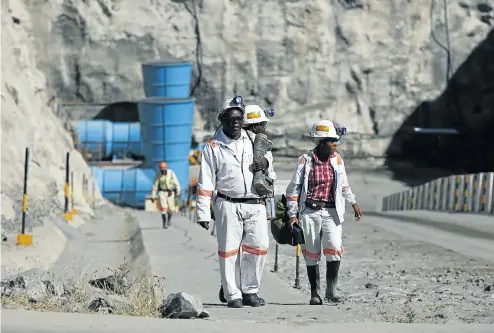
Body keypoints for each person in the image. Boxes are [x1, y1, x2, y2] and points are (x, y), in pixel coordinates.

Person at [195, 96, 273, 308]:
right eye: (231, 118)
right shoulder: (213, 147)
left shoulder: (253, 139)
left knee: (258, 246)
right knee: (229, 250)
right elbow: (206, 180)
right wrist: (203, 213)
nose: (236, 121)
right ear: (222, 119)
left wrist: (264, 162)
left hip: (255, 203)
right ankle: (232, 294)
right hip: (227, 203)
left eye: (239, 117)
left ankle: (250, 290)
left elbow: (269, 160)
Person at [285, 120, 362, 305]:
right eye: (332, 141)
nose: (336, 144)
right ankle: (314, 293)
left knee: (334, 248)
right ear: (321, 142)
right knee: (311, 252)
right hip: (309, 212)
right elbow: (293, 190)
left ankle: (331, 289)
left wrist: (353, 202)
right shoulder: (305, 161)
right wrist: (293, 215)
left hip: (331, 211)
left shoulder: (337, 159)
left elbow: (343, 184)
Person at [151, 161, 181, 228]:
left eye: (164, 169)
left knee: (171, 208)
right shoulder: (158, 175)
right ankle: (164, 223)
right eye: (161, 169)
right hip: (162, 192)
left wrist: (178, 192)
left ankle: (169, 220)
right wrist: (153, 196)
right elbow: (155, 186)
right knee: (163, 207)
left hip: (170, 192)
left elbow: (177, 183)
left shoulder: (171, 173)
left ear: (166, 168)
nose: (163, 170)